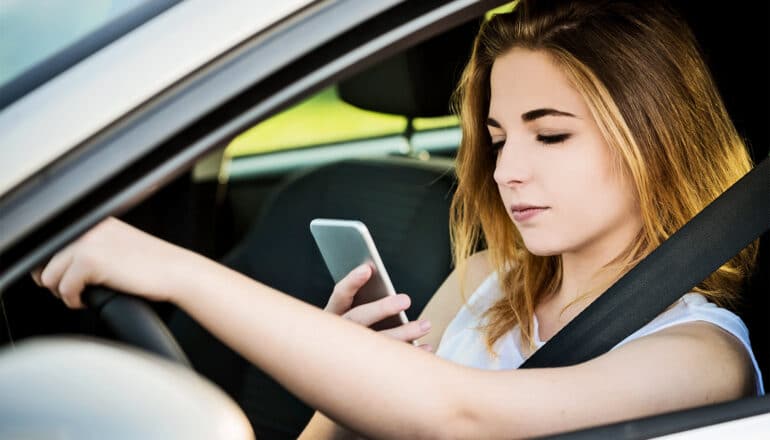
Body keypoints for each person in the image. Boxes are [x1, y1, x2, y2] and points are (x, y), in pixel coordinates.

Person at [33, 0, 764, 438]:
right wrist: (353, 396)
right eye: (501, 137)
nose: (509, 171)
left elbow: (460, 421)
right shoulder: (487, 281)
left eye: (551, 134)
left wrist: (172, 270)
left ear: (655, 141)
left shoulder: (702, 355)